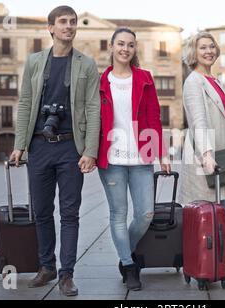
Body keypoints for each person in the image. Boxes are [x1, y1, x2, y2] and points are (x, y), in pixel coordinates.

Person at [9, 6, 100, 296]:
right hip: (38, 146)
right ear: (51, 27)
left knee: (69, 213)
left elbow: (93, 107)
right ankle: (46, 266)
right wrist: (19, 145)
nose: (69, 27)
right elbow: (25, 103)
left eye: (73, 22)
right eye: (63, 22)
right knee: (42, 211)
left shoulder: (86, 64)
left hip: (71, 147)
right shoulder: (35, 62)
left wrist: (90, 150)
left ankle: (66, 274)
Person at [97, 28, 170, 291]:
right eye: (120, 44)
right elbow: (92, 120)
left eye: (130, 45)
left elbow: (153, 117)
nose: (125, 49)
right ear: (111, 46)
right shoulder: (100, 81)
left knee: (146, 214)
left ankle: (124, 250)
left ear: (134, 49)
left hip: (142, 156)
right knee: (118, 214)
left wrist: (161, 151)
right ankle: (128, 265)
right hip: (111, 159)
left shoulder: (144, 78)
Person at [178, 32, 225, 221]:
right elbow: (198, 120)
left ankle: (217, 251)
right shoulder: (194, 81)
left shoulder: (215, 81)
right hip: (205, 158)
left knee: (224, 212)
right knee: (209, 216)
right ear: (194, 52)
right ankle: (204, 252)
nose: (209, 51)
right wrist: (207, 155)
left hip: (222, 156)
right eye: (203, 47)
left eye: (211, 46)